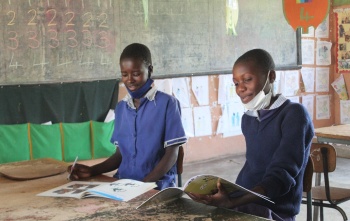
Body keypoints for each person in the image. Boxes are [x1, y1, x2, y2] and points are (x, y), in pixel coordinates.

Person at [187, 49, 314, 221]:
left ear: (271, 77)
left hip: (274, 210)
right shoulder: (249, 118)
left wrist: (234, 202)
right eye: (236, 83)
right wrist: (224, 194)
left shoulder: (294, 114)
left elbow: (281, 176)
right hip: (243, 201)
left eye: (247, 80)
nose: (240, 89)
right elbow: (254, 167)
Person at [67, 43, 187, 190]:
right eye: (124, 74)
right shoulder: (121, 108)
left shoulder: (167, 104)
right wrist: (92, 170)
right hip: (123, 184)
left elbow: (172, 155)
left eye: (136, 74)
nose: (129, 80)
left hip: (156, 186)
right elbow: (120, 155)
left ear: (149, 70)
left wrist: (143, 185)